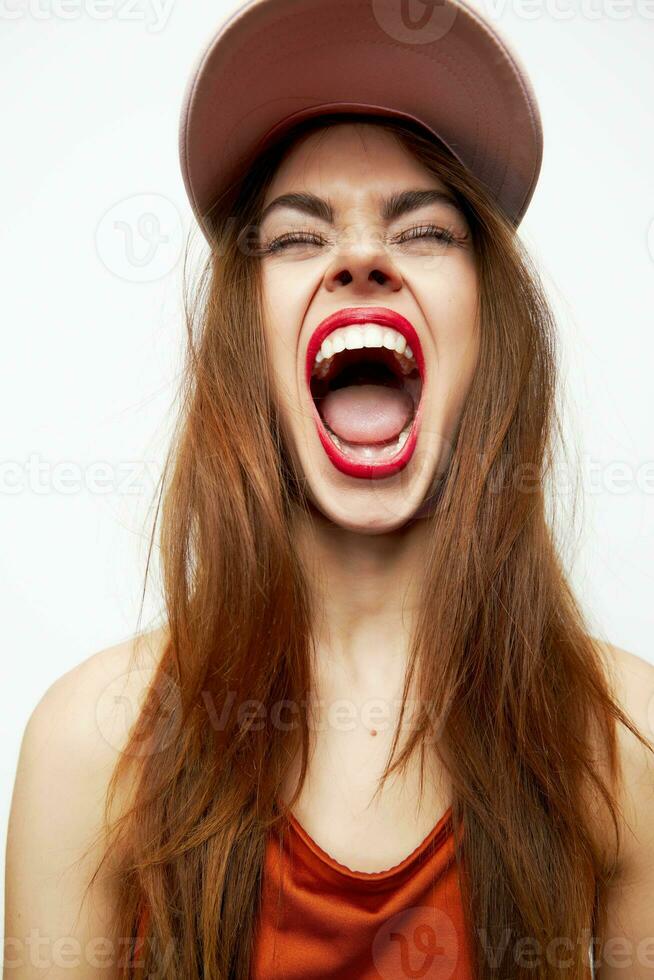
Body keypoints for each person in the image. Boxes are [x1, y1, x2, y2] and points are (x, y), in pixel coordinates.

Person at [5, 0, 654, 978]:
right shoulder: (89, 748)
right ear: (248, 339)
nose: (361, 257)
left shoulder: (625, 747)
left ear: (488, 328)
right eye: (300, 238)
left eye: (424, 230)